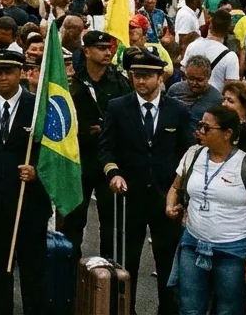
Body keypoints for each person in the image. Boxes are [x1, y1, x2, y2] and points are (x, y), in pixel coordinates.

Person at [99, 47, 190, 314]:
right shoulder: (118, 107)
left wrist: (180, 190)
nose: (141, 81)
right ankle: (128, 310)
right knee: (127, 263)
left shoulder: (178, 110)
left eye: (148, 76)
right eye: (136, 75)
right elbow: (106, 148)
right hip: (130, 199)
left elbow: (187, 153)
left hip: (166, 199)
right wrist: (113, 173)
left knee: (168, 263)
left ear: (160, 77)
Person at [165, 106, 246, 315]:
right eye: (199, 126)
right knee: (189, 308)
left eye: (207, 128)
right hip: (193, 245)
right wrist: (170, 205)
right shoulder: (193, 155)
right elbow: (175, 187)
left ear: (228, 133)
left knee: (228, 310)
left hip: (232, 252)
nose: (200, 131)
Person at [0, 51, 48, 315]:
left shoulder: (38, 108)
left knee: (33, 271)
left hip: (29, 203)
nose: (2, 77)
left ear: (21, 73)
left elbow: (53, 154)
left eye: (8, 71)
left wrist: (37, 171)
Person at [65, 29, 132, 258]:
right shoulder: (73, 83)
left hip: (108, 161)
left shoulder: (120, 83)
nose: (107, 52)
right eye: (101, 48)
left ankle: (107, 276)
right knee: (73, 223)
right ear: (86, 50)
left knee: (111, 224)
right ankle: (70, 277)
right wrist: (85, 131)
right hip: (79, 160)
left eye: (110, 48)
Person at [167, 54, 225, 137]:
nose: (194, 83)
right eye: (190, 78)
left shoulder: (217, 99)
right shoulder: (175, 90)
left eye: (199, 80)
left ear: (208, 77)